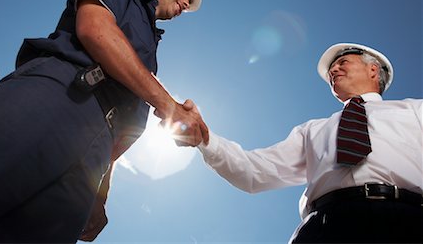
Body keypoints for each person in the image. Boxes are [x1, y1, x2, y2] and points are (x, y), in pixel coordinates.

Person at [0, 0, 208, 243]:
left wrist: (100, 190)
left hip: (93, 156)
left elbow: (127, 128)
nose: (186, 2)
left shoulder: (151, 60)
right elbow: (96, 31)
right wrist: (170, 107)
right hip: (59, 96)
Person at [171, 43, 422, 243]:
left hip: (408, 219)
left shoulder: (415, 110)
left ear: (373, 70)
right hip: (324, 227)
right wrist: (205, 139)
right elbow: (255, 170)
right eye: (332, 69)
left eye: (342, 62)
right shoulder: (312, 130)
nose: (333, 71)